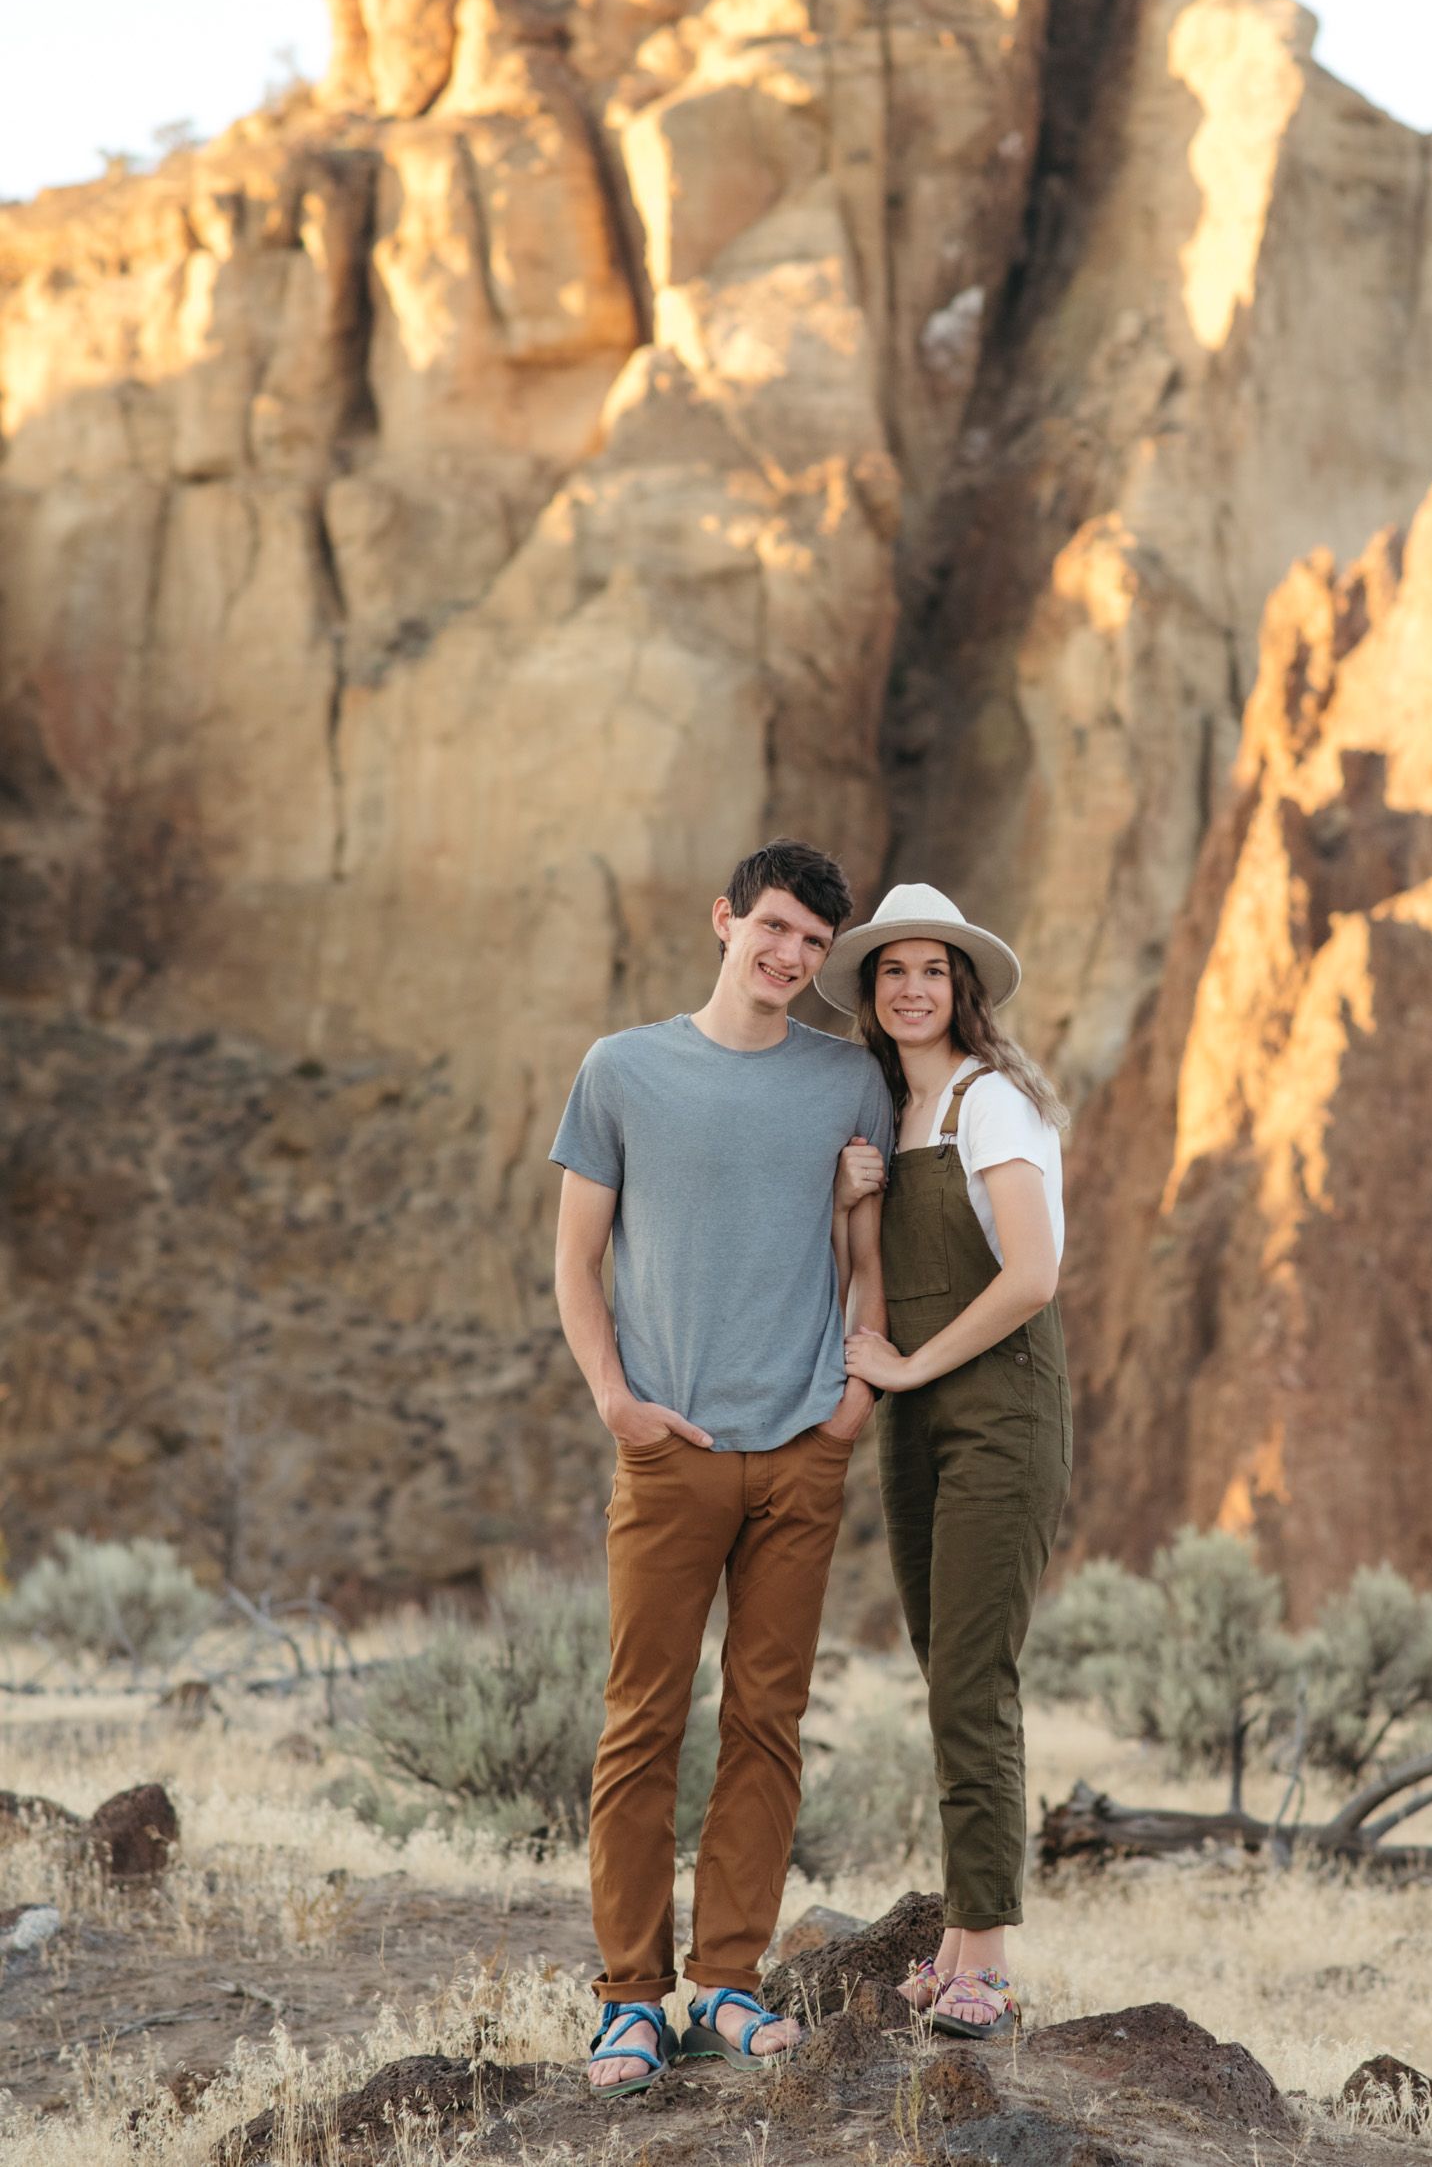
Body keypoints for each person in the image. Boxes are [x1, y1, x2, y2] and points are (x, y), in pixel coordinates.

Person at [551, 839, 893, 2097]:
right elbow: (575, 1262)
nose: (792, 958)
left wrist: (850, 1404)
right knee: (640, 1725)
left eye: (813, 943)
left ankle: (728, 1987)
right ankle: (628, 2003)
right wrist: (617, 1404)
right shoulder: (621, 1070)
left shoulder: (848, 1081)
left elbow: (867, 1250)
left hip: (801, 1452)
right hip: (672, 1453)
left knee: (767, 1723)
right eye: (776, 929)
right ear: (724, 920)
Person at [818, 882, 1070, 2040]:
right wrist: (848, 1209)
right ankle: (958, 1945)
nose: (910, 986)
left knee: (974, 1677)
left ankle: (990, 1963)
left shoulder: (988, 1104)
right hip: (919, 1421)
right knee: (943, 1672)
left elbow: (1028, 1276)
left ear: (959, 988)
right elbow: (869, 1292)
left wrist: (916, 1372)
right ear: (870, 995)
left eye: (930, 968)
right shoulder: (893, 1119)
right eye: (890, 971)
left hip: (999, 1411)